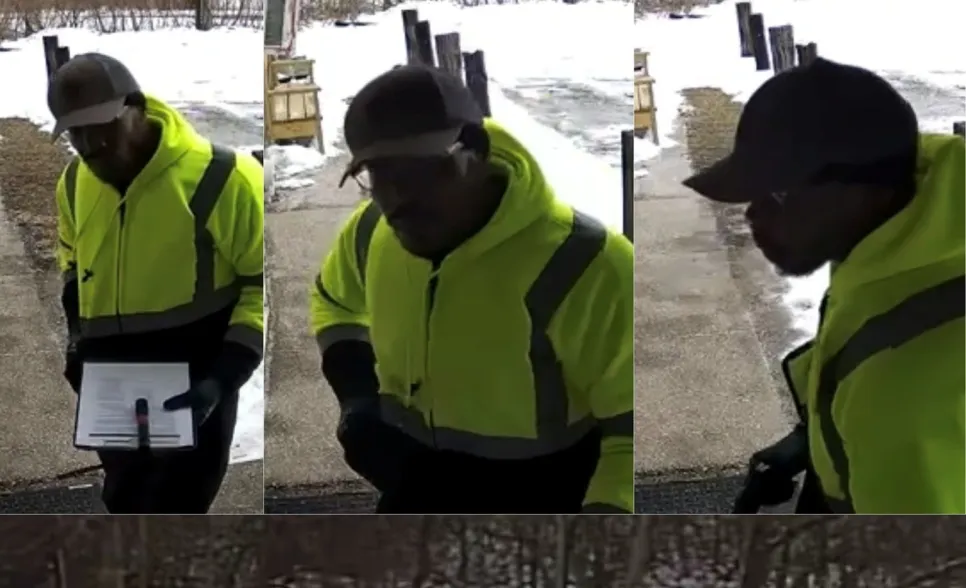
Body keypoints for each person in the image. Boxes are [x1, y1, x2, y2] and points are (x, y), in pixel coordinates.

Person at [309, 65, 633, 513]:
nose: (398, 196)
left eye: (422, 170)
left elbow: (631, 427)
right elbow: (333, 301)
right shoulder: (371, 231)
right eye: (377, 173)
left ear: (475, 154)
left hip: (546, 496)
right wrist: (357, 398)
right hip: (414, 486)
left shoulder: (585, 263)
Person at [683, 58, 965, 514]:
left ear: (868, 189)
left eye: (778, 194)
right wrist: (816, 440)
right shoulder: (907, 233)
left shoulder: (904, 400)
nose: (752, 214)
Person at [49, 53, 264, 514]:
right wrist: (76, 337)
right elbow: (71, 256)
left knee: (178, 511)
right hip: (112, 387)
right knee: (125, 502)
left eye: (100, 126)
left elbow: (260, 284)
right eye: (75, 133)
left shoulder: (223, 178)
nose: (89, 145)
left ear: (137, 107)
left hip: (194, 385)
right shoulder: (73, 181)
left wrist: (223, 377)